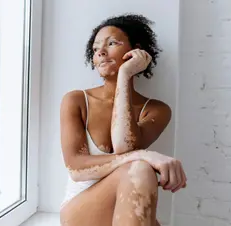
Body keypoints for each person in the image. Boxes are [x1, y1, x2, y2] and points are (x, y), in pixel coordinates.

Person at [59, 14, 187, 226]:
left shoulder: (156, 109)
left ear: (136, 51)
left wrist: (125, 74)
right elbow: (76, 168)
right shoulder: (76, 100)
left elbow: (124, 145)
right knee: (140, 168)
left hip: (128, 210)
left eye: (112, 43)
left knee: (139, 168)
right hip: (80, 211)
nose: (100, 52)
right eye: (95, 48)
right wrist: (147, 156)